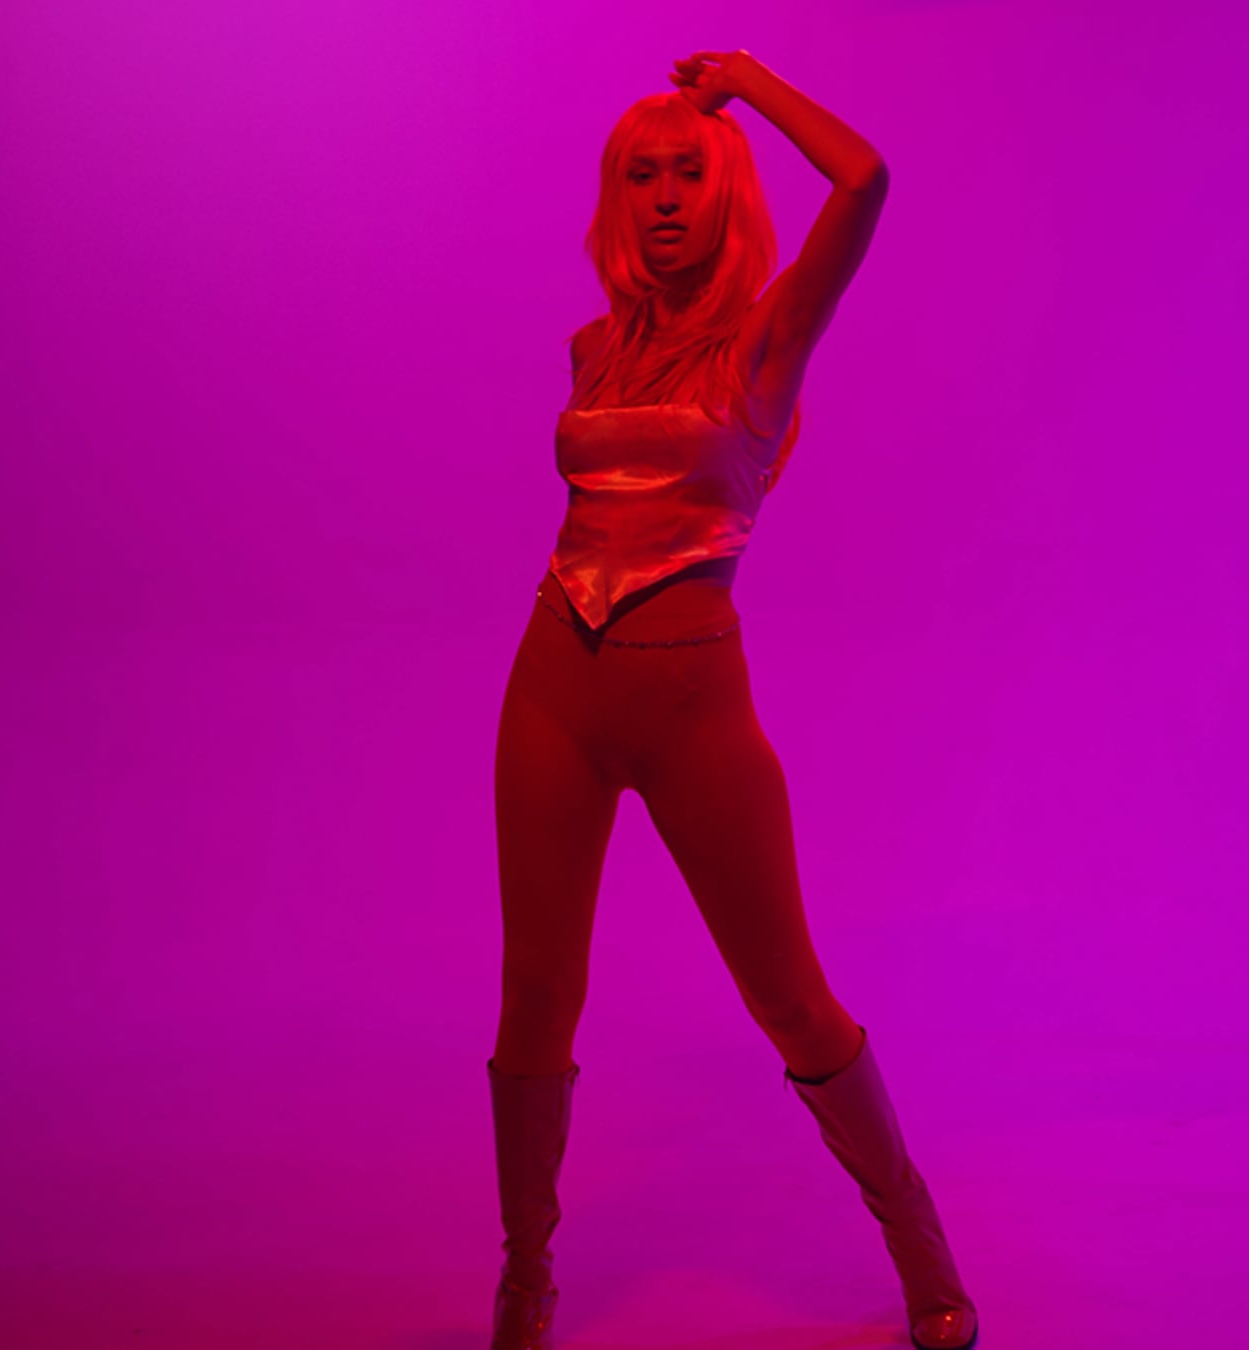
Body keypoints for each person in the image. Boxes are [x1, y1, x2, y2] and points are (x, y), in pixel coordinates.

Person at [482, 49, 981, 1350]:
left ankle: (922, 1250)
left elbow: (865, 180)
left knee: (791, 999)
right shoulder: (596, 347)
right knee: (536, 996)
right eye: (640, 174)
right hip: (552, 685)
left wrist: (747, 83)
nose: (663, 195)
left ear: (726, 189)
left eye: (687, 172)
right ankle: (526, 1280)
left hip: (694, 706)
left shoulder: (767, 338)